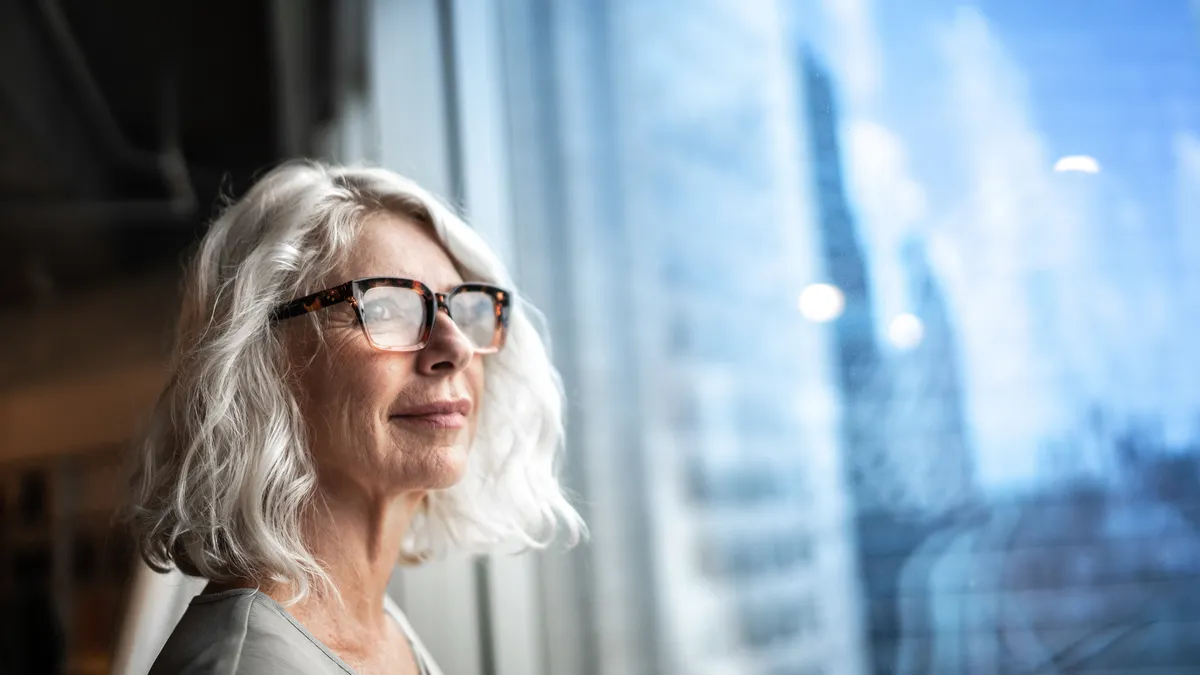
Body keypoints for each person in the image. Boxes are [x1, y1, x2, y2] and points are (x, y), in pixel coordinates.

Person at [128, 161, 584, 675]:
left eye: (461, 309)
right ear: (264, 358)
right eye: (387, 309)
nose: (455, 347)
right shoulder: (247, 666)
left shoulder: (376, 630)